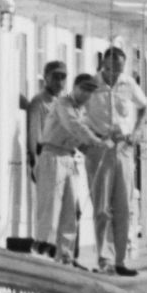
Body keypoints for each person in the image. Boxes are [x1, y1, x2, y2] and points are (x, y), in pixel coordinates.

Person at [86, 43, 147, 273]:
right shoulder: (90, 85)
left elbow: (144, 106)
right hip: (100, 148)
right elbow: (75, 110)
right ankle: (105, 260)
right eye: (111, 68)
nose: (115, 73)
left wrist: (137, 131)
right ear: (103, 63)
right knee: (101, 208)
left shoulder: (128, 83)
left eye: (119, 68)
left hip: (123, 149)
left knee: (123, 205)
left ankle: (120, 260)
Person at [26, 60, 93, 263]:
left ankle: (65, 256)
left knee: (71, 211)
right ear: (46, 77)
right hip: (50, 156)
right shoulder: (39, 102)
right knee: (49, 211)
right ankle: (43, 255)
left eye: (63, 77)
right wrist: (34, 162)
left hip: (68, 158)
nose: (60, 81)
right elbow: (34, 134)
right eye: (55, 76)